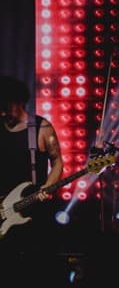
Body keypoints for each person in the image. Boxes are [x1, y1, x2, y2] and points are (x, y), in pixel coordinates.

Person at [0, 73, 64, 252]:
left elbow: (57, 162)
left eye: (7, 108)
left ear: (20, 102)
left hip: (34, 211)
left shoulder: (41, 128)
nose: (3, 113)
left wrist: (48, 186)